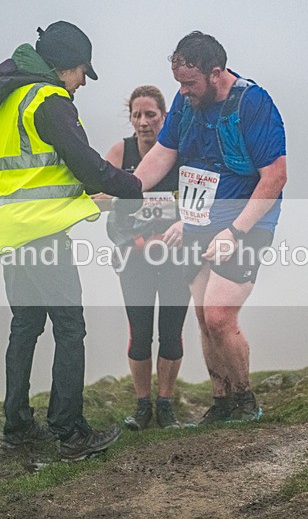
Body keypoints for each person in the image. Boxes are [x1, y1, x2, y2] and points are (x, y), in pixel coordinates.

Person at [0, 20, 144, 460]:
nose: (82, 83)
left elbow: (36, 170)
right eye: (82, 73)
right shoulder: (49, 101)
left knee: (26, 325)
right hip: (42, 233)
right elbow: (87, 165)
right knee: (70, 327)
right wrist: (131, 187)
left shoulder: (10, 97)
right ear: (66, 66)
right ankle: (69, 432)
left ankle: (17, 426)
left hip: (10, 231)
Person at [132, 32, 287, 424]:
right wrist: (125, 188)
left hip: (245, 222)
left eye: (190, 83)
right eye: (178, 83)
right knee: (203, 316)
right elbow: (162, 156)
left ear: (215, 73)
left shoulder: (253, 104)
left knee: (219, 315)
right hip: (199, 221)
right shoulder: (187, 104)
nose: (182, 93)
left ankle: (246, 401)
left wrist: (235, 231)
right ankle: (222, 402)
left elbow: (275, 178)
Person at [92, 86, 191, 430]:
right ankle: (141, 406)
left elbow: (198, 204)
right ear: (130, 118)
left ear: (164, 116)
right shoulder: (121, 151)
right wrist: (136, 240)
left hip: (178, 255)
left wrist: (177, 230)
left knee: (172, 332)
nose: (144, 122)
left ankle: (165, 404)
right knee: (139, 331)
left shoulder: (180, 153)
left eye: (151, 114)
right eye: (137, 114)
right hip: (134, 257)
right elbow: (108, 208)